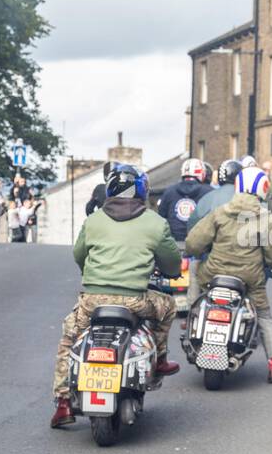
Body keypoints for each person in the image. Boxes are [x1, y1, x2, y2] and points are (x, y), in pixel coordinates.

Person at [50, 164, 182, 428]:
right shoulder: (156, 223)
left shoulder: (94, 220)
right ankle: (160, 360)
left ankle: (64, 403)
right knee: (167, 306)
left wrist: (93, 276)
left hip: (93, 300)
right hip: (135, 300)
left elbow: (79, 256)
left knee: (69, 337)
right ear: (142, 192)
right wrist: (170, 271)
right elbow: (172, 265)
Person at [185, 165, 272, 383]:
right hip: (250, 279)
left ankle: (192, 314)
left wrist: (201, 251)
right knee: (264, 316)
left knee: (195, 271)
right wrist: (268, 263)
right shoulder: (266, 218)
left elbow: (193, 245)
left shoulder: (220, 212)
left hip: (213, 274)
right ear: (263, 187)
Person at [183, 159, 244, 305]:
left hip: (211, 261)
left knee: (194, 267)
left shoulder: (207, 198)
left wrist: (196, 252)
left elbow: (193, 230)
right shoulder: (250, 199)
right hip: (244, 263)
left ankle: (192, 307)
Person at [158, 158, 212, 246]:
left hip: (174, 244)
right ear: (202, 173)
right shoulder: (209, 192)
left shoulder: (169, 191)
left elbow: (161, 217)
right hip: (199, 245)